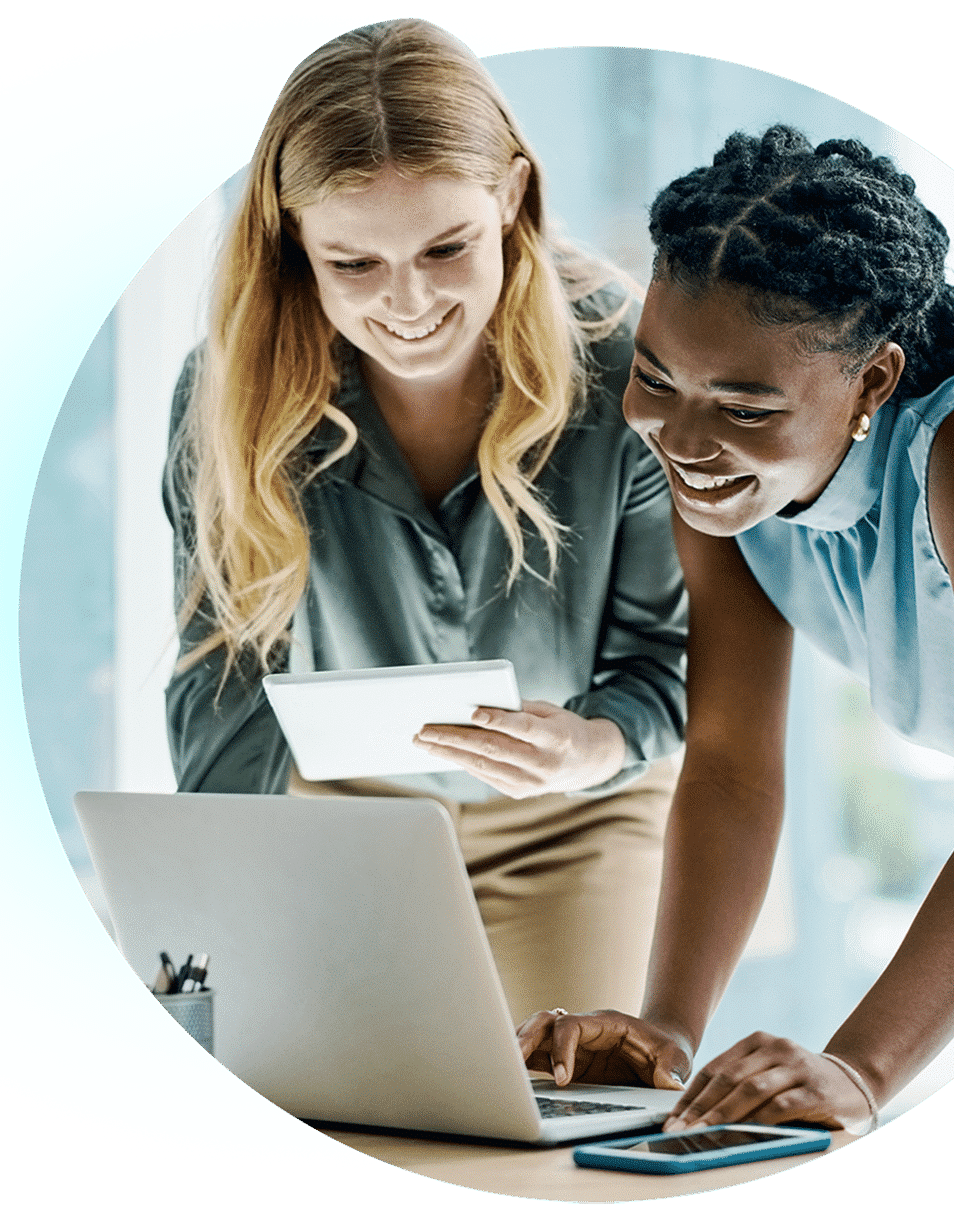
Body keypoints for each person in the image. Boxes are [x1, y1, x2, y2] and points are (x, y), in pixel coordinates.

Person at [519, 126, 954, 1133]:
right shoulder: (720, 490)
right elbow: (732, 764)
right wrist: (666, 1028)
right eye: (655, 378)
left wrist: (859, 1071)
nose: (686, 441)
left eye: (743, 405)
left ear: (870, 382)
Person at [161, 19, 687, 1024]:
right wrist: (210, 920)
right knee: (337, 1103)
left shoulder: (628, 371)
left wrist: (595, 744)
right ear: (295, 248)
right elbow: (222, 679)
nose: (407, 302)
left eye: (446, 246)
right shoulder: (225, 399)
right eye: (352, 264)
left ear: (512, 198)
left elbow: (666, 657)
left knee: (562, 1116)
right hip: (344, 810)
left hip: (574, 811)